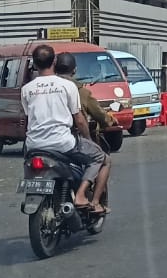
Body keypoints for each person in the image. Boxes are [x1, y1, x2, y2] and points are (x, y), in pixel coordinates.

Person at [19, 43, 107, 213]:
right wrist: (88, 140)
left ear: (35, 64)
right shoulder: (68, 86)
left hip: (33, 146)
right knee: (101, 158)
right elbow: (80, 120)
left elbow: (27, 118)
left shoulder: (26, 90)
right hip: (63, 144)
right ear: (54, 62)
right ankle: (84, 196)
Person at [55, 51, 112, 213]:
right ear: (74, 70)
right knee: (102, 159)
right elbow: (89, 117)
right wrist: (107, 121)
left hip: (37, 141)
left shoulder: (43, 86)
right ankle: (93, 202)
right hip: (70, 140)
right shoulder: (79, 91)